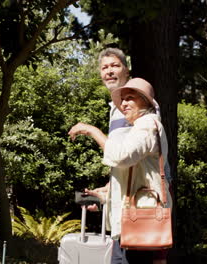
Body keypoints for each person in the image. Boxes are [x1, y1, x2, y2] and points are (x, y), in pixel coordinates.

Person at [68, 78, 172, 264]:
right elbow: (135, 176)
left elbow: (121, 156)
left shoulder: (147, 125)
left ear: (145, 102)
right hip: (135, 222)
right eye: (122, 99)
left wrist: (91, 131)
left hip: (141, 222)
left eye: (129, 98)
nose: (123, 104)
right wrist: (105, 195)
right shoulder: (140, 127)